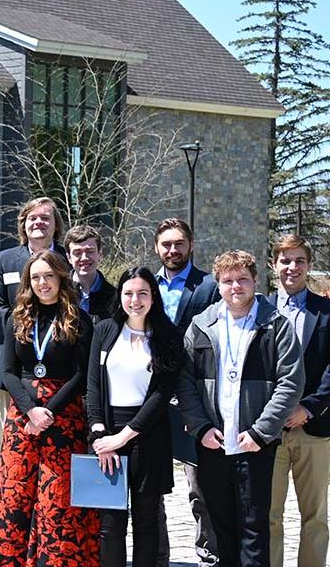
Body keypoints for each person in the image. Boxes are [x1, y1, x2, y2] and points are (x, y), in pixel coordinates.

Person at [177, 250, 304, 566]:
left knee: (254, 530)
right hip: (212, 444)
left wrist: (262, 432)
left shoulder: (276, 325)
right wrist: (201, 427)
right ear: (218, 285)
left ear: (256, 281)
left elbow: (290, 383)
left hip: (254, 444)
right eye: (228, 281)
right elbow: (185, 381)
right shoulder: (201, 325)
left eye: (242, 279)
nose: (236, 287)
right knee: (220, 530)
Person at [0, 250, 98, 566]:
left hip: (63, 421)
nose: (42, 283)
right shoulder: (17, 318)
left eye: (48, 276)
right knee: (13, 499)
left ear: (61, 277)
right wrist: (31, 409)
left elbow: (80, 373)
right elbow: (6, 371)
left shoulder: (79, 320)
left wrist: (49, 412)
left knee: (56, 503)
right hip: (23, 420)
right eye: (35, 278)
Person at [87, 267, 183, 567]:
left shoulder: (167, 335)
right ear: (120, 296)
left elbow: (160, 395)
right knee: (110, 526)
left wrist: (124, 436)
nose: (135, 300)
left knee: (146, 522)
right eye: (128, 293)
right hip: (107, 436)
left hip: (147, 436)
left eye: (142, 293)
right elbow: (92, 385)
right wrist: (100, 434)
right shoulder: (104, 330)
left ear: (153, 296)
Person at [153, 217, 219, 567]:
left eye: (179, 243)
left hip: (195, 396)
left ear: (190, 245)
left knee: (200, 486)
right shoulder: (144, 285)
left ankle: (209, 554)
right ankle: (158, 556)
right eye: (166, 244)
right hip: (152, 396)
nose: (172, 250)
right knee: (151, 485)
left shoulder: (208, 286)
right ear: (156, 247)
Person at [267, 234, 330, 567]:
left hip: (314, 427)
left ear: (308, 265)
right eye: (286, 260)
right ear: (274, 264)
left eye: (299, 261)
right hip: (269, 431)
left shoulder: (327, 312)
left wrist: (308, 407)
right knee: (269, 515)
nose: (292, 267)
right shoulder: (258, 309)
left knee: (316, 516)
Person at [0, 197, 67, 420]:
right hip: (14, 370)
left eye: (45, 218)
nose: (38, 222)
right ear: (23, 224)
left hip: (61, 371)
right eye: (32, 218)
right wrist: (31, 331)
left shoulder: (68, 260)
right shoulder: (4, 260)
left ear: (56, 224)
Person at [64, 225, 115, 322]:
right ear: (69, 258)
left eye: (90, 251)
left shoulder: (114, 298)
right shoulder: (60, 293)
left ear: (100, 254)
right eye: (77, 252)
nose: (84, 258)